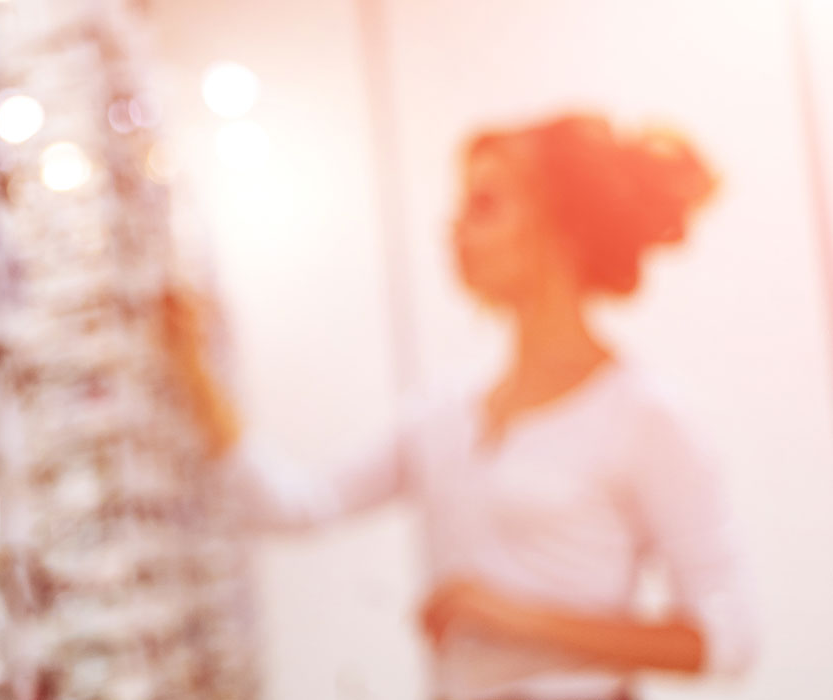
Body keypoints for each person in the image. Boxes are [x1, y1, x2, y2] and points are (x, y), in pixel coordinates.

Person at [191, 114, 756, 700]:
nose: (454, 228)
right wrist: (194, 375)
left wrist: (511, 616)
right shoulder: (442, 415)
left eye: (484, 204)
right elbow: (299, 506)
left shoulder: (644, 417)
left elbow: (729, 638)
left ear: (560, 225)